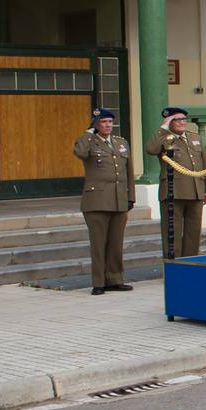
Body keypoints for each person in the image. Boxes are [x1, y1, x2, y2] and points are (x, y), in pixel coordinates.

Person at [74, 108, 135, 294]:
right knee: (99, 243)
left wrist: (130, 197)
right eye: (103, 122)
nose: (107, 125)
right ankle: (99, 282)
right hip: (97, 200)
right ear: (95, 124)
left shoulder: (120, 142)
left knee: (116, 242)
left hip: (119, 199)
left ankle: (114, 279)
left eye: (110, 122)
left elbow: (128, 172)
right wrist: (88, 132)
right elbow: (79, 152)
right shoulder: (88, 142)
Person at [146, 107, 206, 258]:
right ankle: (174, 266)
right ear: (169, 122)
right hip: (174, 191)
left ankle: (190, 265)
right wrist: (163, 128)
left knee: (193, 233)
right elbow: (151, 149)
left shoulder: (194, 137)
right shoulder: (164, 138)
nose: (182, 122)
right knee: (172, 234)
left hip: (195, 190)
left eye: (184, 119)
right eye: (177, 120)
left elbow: (204, 163)